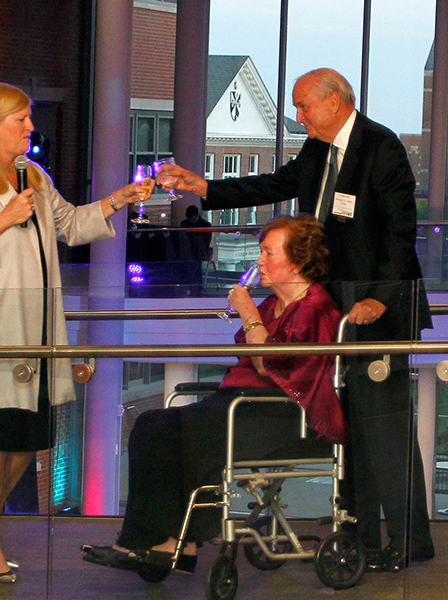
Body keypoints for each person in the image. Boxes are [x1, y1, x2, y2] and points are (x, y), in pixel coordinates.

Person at [156, 68, 434, 571]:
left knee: (383, 429)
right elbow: (274, 183)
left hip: (376, 309)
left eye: (304, 106)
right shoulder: (315, 150)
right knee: (349, 429)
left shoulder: (381, 147)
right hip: (333, 308)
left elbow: (400, 233)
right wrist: (206, 188)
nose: (299, 115)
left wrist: (382, 300)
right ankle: (360, 536)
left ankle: (409, 541)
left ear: (335, 102)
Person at [0, 81, 150, 584]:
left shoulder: (32, 174)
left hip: (36, 330)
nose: (31, 128)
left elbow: (70, 226)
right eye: (21, 120)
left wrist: (117, 199)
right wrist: (4, 219)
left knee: (29, 440)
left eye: (29, 119)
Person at [83, 215, 346, 573]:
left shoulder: (315, 307)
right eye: (261, 252)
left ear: (297, 261)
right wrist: (256, 326)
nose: (259, 261)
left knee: (186, 436)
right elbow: (255, 359)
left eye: (269, 253)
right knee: (150, 424)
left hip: (280, 411)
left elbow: (270, 365)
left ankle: (166, 542)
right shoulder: (272, 305)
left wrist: (248, 314)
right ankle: (170, 542)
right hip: (239, 401)